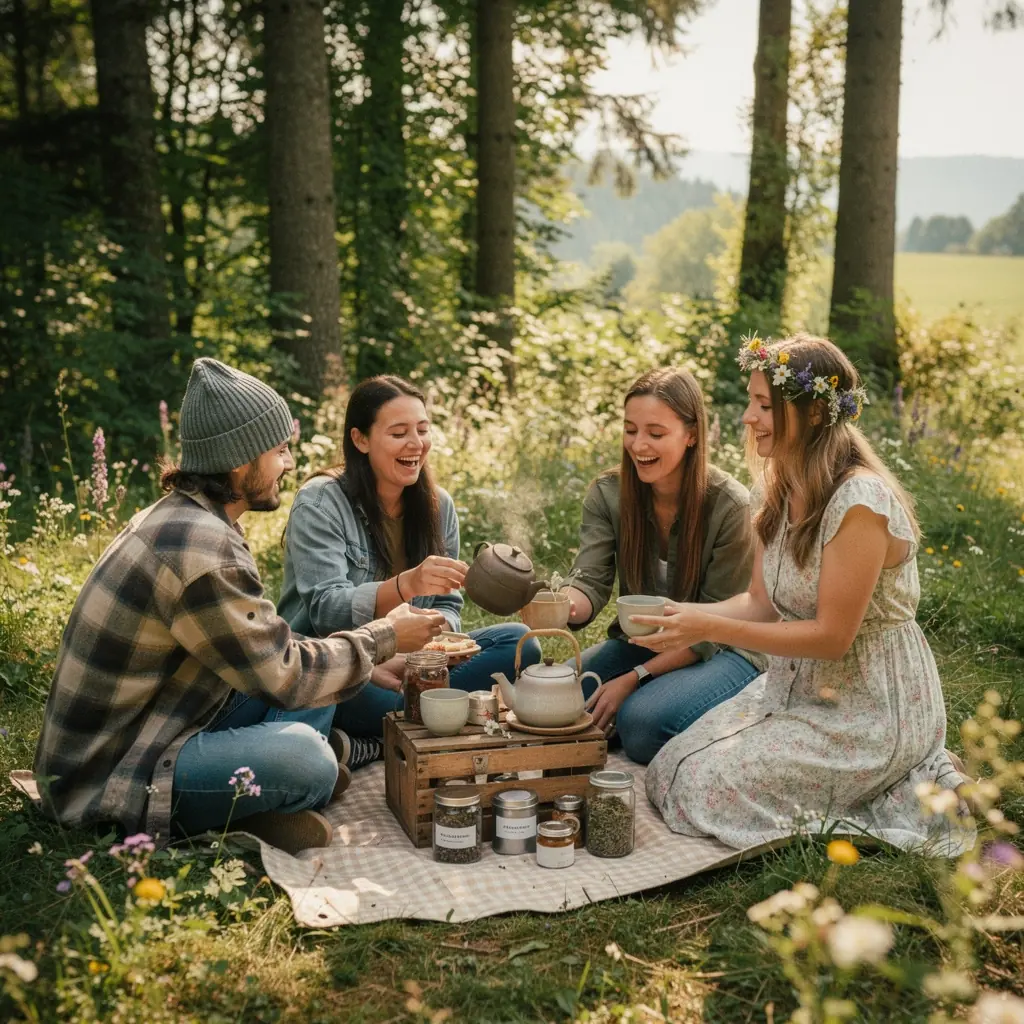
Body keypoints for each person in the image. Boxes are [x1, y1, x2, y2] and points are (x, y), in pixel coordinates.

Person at [34, 358, 446, 854]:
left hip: (172, 715)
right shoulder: (201, 548)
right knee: (307, 760)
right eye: (279, 450)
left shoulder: (193, 519)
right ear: (238, 459)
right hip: (112, 772)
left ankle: (263, 804)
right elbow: (287, 677)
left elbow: (265, 649)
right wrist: (383, 637)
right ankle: (257, 808)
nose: (288, 464)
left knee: (326, 682)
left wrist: (360, 657)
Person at [636, 334, 970, 854]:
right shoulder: (776, 489)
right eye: (751, 401)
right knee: (671, 767)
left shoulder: (859, 501)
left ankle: (915, 772)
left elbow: (833, 638)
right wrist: (683, 615)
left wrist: (709, 628)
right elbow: (759, 603)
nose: (748, 417)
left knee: (703, 785)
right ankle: (917, 776)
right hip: (795, 690)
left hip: (870, 710)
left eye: (764, 405)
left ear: (814, 413)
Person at [277, 375, 540, 740]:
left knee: (519, 641)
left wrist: (429, 653)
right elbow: (326, 611)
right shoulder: (320, 502)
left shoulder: (438, 505)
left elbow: (447, 605)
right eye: (399, 433)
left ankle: (399, 722)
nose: (416, 443)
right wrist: (407, 585)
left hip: (416, 664)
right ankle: (418, 718)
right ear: (361, 439)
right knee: (354, 694)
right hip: (339, 666)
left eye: (423, 430)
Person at [562, 367, 765, 764]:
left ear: (692, 435)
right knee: (555, 694)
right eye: (630, 430)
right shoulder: (609, 494)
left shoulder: (730, 506)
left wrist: (634, 680)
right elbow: (588, 580)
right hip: (640, 644)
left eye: (655, 433)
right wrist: (562, 604)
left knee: (641, 726)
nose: (638, 445)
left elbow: (714, 629)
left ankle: (733, 707)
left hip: (721, 649)